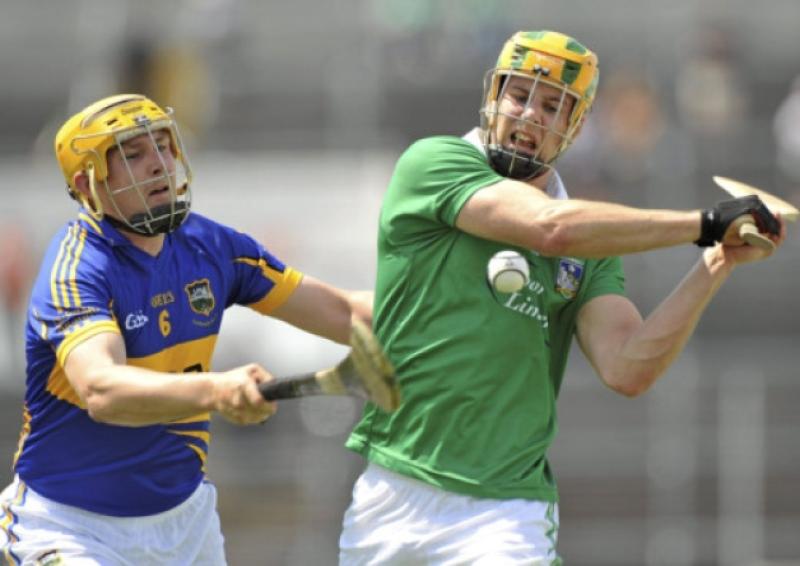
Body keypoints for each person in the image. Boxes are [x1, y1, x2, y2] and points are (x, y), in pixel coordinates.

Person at [338, 30, 784, 565]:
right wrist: (706, 224)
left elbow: (628, 367)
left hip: (503, 512)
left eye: (554, 106)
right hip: (392, 493)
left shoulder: (590, 247)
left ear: (572, 128)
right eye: (520, 94)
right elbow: (548, 228)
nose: (531, 116)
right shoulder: (433, 164)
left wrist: (716, 262)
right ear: (493, 95)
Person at [0, 93, 371, 565]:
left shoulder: (212, 247)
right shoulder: (76, 270)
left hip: (185, 527)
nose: (158, 164)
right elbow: (101, 390)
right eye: (133, 155)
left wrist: (450, 319)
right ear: (88, 184)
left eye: (162, 145)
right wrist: (215, 391)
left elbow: (344, 313)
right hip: (71, 529)